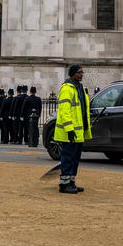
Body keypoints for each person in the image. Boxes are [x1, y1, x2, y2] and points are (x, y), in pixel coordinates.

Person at [54, 64, 91, 194]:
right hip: (69, 132)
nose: (82, 74)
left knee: (75, 159)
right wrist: (69, 129)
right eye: (79, 72)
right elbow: (65, 111)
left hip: (78, 131)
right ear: (73, 74)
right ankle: (64, 185)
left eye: (82, 72)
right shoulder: (67, 89)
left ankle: (71, 182)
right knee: (68, 158)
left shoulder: (80, 88)